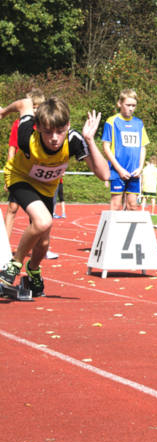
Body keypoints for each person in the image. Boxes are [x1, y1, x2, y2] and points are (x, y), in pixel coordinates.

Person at [0, 96, 110, 296]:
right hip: (20, 177)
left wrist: (89, 140)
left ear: (67, 126)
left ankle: (33, 270)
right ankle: (14, 264)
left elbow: (104, 174)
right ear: (38, 127)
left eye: (60, 132)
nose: (54, 138)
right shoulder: (27, 136)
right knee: (43, 221)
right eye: (48, 132)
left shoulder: (74, 139)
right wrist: (4, 111)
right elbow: (25, 103)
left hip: (47, 189)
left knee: (43, 242)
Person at [5, 88, 45, 240]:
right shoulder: (19, 124)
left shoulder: (45, 126)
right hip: (20, 172)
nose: (35, 110)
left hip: (37, 173)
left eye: (38, 107)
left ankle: (38, 245)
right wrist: (8, 176)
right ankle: (5, 246)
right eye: (32, 106)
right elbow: (12, 149)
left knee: (37, 212)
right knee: (12, 208)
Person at [102, 89, 149, 211]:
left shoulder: (139, 123)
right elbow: (106, 147)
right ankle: (114, 230)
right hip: (118, 171)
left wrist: (140, 167)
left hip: (134, 172)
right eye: (128, 105)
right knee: (116, 205)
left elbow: (143, 146)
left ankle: (131, 230)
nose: (131, 108)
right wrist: (119, 169)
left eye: (133, 105)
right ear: (119, 104)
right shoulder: (112, 121)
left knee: (132, 205)